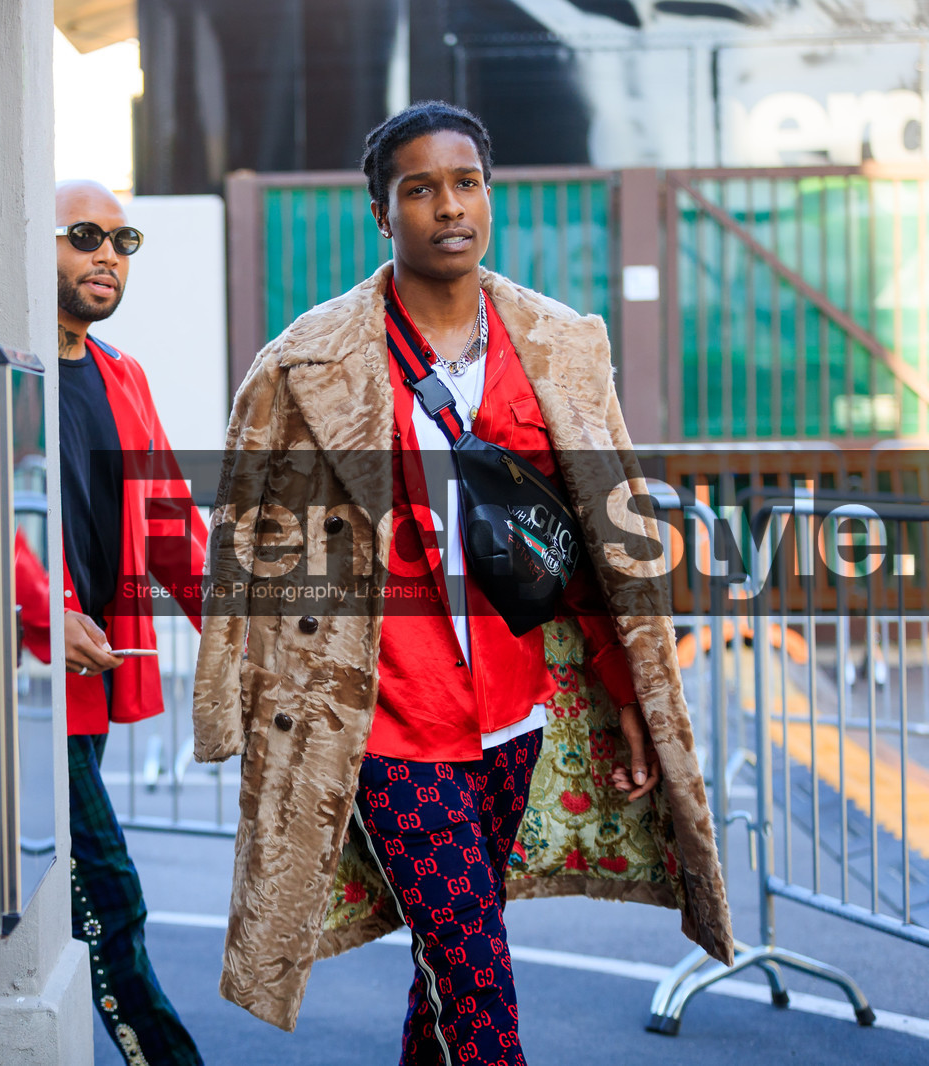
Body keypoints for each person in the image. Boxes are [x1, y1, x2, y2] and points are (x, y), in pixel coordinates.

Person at [191, 103, 733, 1062]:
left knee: (447, 967)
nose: (449, 206)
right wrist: (227, 710)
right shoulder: (304, 364)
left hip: (516, 714)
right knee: (480, 984)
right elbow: (243, 546)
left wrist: (634, 696)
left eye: (466, 181)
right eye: (420, 188)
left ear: (490, 194)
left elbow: (599, 546)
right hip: (389, 718)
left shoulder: (563, 346)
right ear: (381, 213)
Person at [15, 180, 207, 1065]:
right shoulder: (13, 365)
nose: (107, 256)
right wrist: (50, 614)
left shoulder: (122, 374)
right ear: (35, 240)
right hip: (18, 684)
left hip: (82, 689)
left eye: (123, 240)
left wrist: (241, 632)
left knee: (78, 894)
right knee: (112, 897)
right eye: (84, 235)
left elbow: (171, 521)